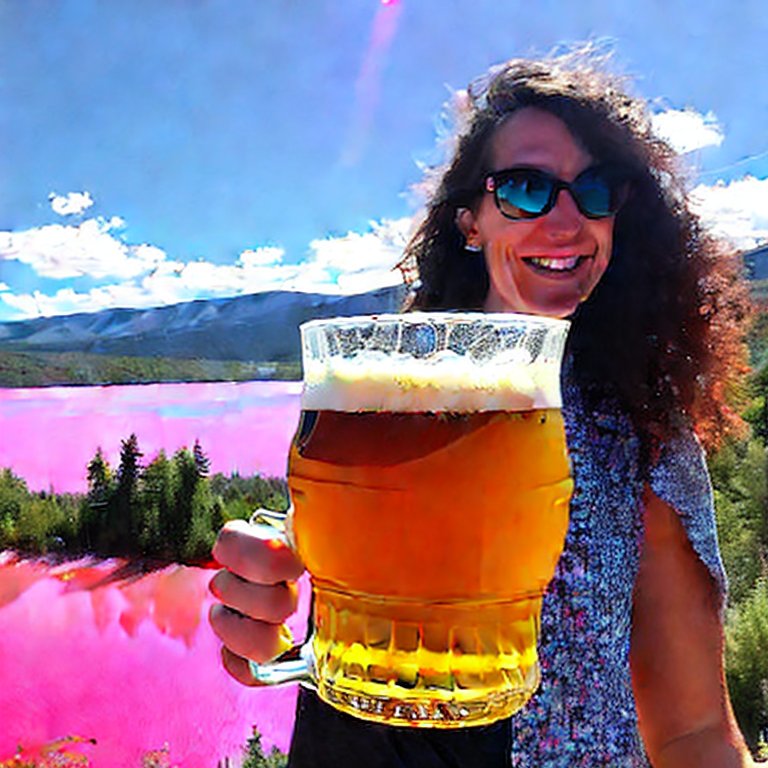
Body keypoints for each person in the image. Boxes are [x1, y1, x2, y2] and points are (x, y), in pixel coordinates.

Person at [209, 48, 757, 767]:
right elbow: (329, 594)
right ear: (471, 223)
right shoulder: (378, 388)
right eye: (527, 189)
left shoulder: (643, 431)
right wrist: (261, 625)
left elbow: (693, 735)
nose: (566, 219)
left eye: (597, 191)